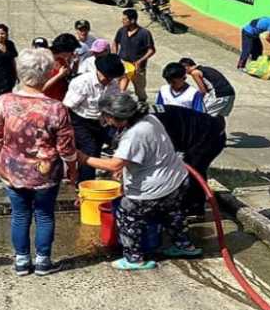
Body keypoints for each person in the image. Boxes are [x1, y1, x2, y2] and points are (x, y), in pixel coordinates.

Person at [78, 93, 202, 270]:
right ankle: (185, 246)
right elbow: (144, 152)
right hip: (177, 179)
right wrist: (123, 167)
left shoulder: (134, 134)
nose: (106, 121)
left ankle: (134, 259)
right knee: (172, 213)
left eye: (107, 117)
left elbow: (114, 164)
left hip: (154, 188)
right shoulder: (150, 119)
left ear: (116, 117)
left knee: (126, 214)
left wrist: (84, 158)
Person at [0, 48, 78, 276]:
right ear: (48, 74)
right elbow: (66, 148)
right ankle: (43, 261)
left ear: (19, 72)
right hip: (45, 172)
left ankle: (21, 261)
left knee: (19, 214)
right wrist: (73, 170)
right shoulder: (56, 108)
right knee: (44, 214)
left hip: (12, 169)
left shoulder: (3, 102)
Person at [151, 104, 226, 217]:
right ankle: (186, 206)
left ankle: (193, 209)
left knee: (193, 172)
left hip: (209, 137)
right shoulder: (141, 114)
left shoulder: (148, 125)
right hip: (196, 132)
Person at [63, 54, 124, 183]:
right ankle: (84, 184)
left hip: (101, 121)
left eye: (111, 78)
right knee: (89, 151)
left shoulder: (113, 85)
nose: (108, 80)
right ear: (99, 71)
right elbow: (67, 106)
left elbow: (114, 102)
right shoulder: (82, 83)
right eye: (106, 77)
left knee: (98, 149)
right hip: (80, 121)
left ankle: (85, 178)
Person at [112, 9, 155, 102]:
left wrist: (140, 61)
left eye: (125, 19)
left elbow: (151, 50)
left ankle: (142, 105)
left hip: (138, 68)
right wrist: (114, 56)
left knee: (140, 91)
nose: (122, 21)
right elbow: (115, 42)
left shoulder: (144, 33)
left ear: (133, 20)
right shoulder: (121, 31)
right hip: (123, 65)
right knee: (119, 89)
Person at [43, 33, 80, 101]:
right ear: (64, 50)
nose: (73, 54)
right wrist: (59, 75)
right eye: (72, 51)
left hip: (61, 98)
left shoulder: (62, 59)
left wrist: (75, 64)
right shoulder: (44, 60)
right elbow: (41, 88)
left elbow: (70, 75)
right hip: (48, 100)